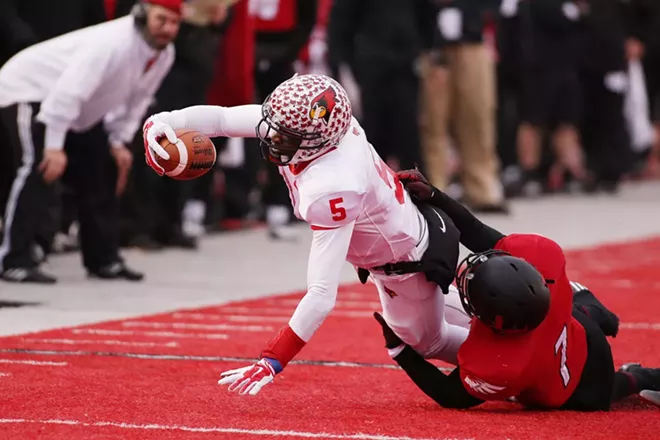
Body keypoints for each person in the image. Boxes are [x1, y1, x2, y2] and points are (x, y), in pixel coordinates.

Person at [143, 74, 470, 395]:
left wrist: (274, 358)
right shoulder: (304, 124)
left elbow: (321, 294)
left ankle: (506, 369)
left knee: (428, 341)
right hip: (407, 232)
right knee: (458, 312)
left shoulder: (333, 185)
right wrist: (161, 122)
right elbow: (223, 119)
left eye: (285, 136)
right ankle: (509, 338)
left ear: (318, 142)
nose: (272, 137)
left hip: (405, 263)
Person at [370, 168, 660, 410]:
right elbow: (482, 235)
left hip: (576, 390)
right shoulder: (544, 262)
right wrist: (435, 196)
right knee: (577, 303)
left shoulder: (501, 364)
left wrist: (399, 349)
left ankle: (637, 377)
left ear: (496, 324)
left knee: (612, 387)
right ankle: (597, 314)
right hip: (584, 334)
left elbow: (450, 394)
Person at [0, 0, 180, 283]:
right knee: (37, 167)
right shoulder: (113, 43)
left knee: (103, 169)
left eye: (174, 23)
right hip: (30, 91)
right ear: (143, 15)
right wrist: (55, 146)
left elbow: (138, 100)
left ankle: (103, 258)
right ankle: (14, 259)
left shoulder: (164, 54)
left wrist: (119, 142)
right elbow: (69, 90)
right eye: (162, 20)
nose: (167, 29)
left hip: (76, 109)